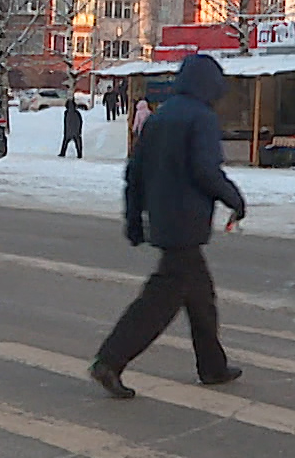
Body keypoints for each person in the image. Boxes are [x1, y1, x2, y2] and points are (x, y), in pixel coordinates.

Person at [91, 54, 246, 398]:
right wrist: (235, 199)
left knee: (200, 297)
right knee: (159, 302)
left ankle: (213, 366)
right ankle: (110, 360)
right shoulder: (200, 118)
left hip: (163, 221)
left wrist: (133, 219)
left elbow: (135, 173)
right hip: (187, 223)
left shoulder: (160, 119)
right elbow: (206, 171)